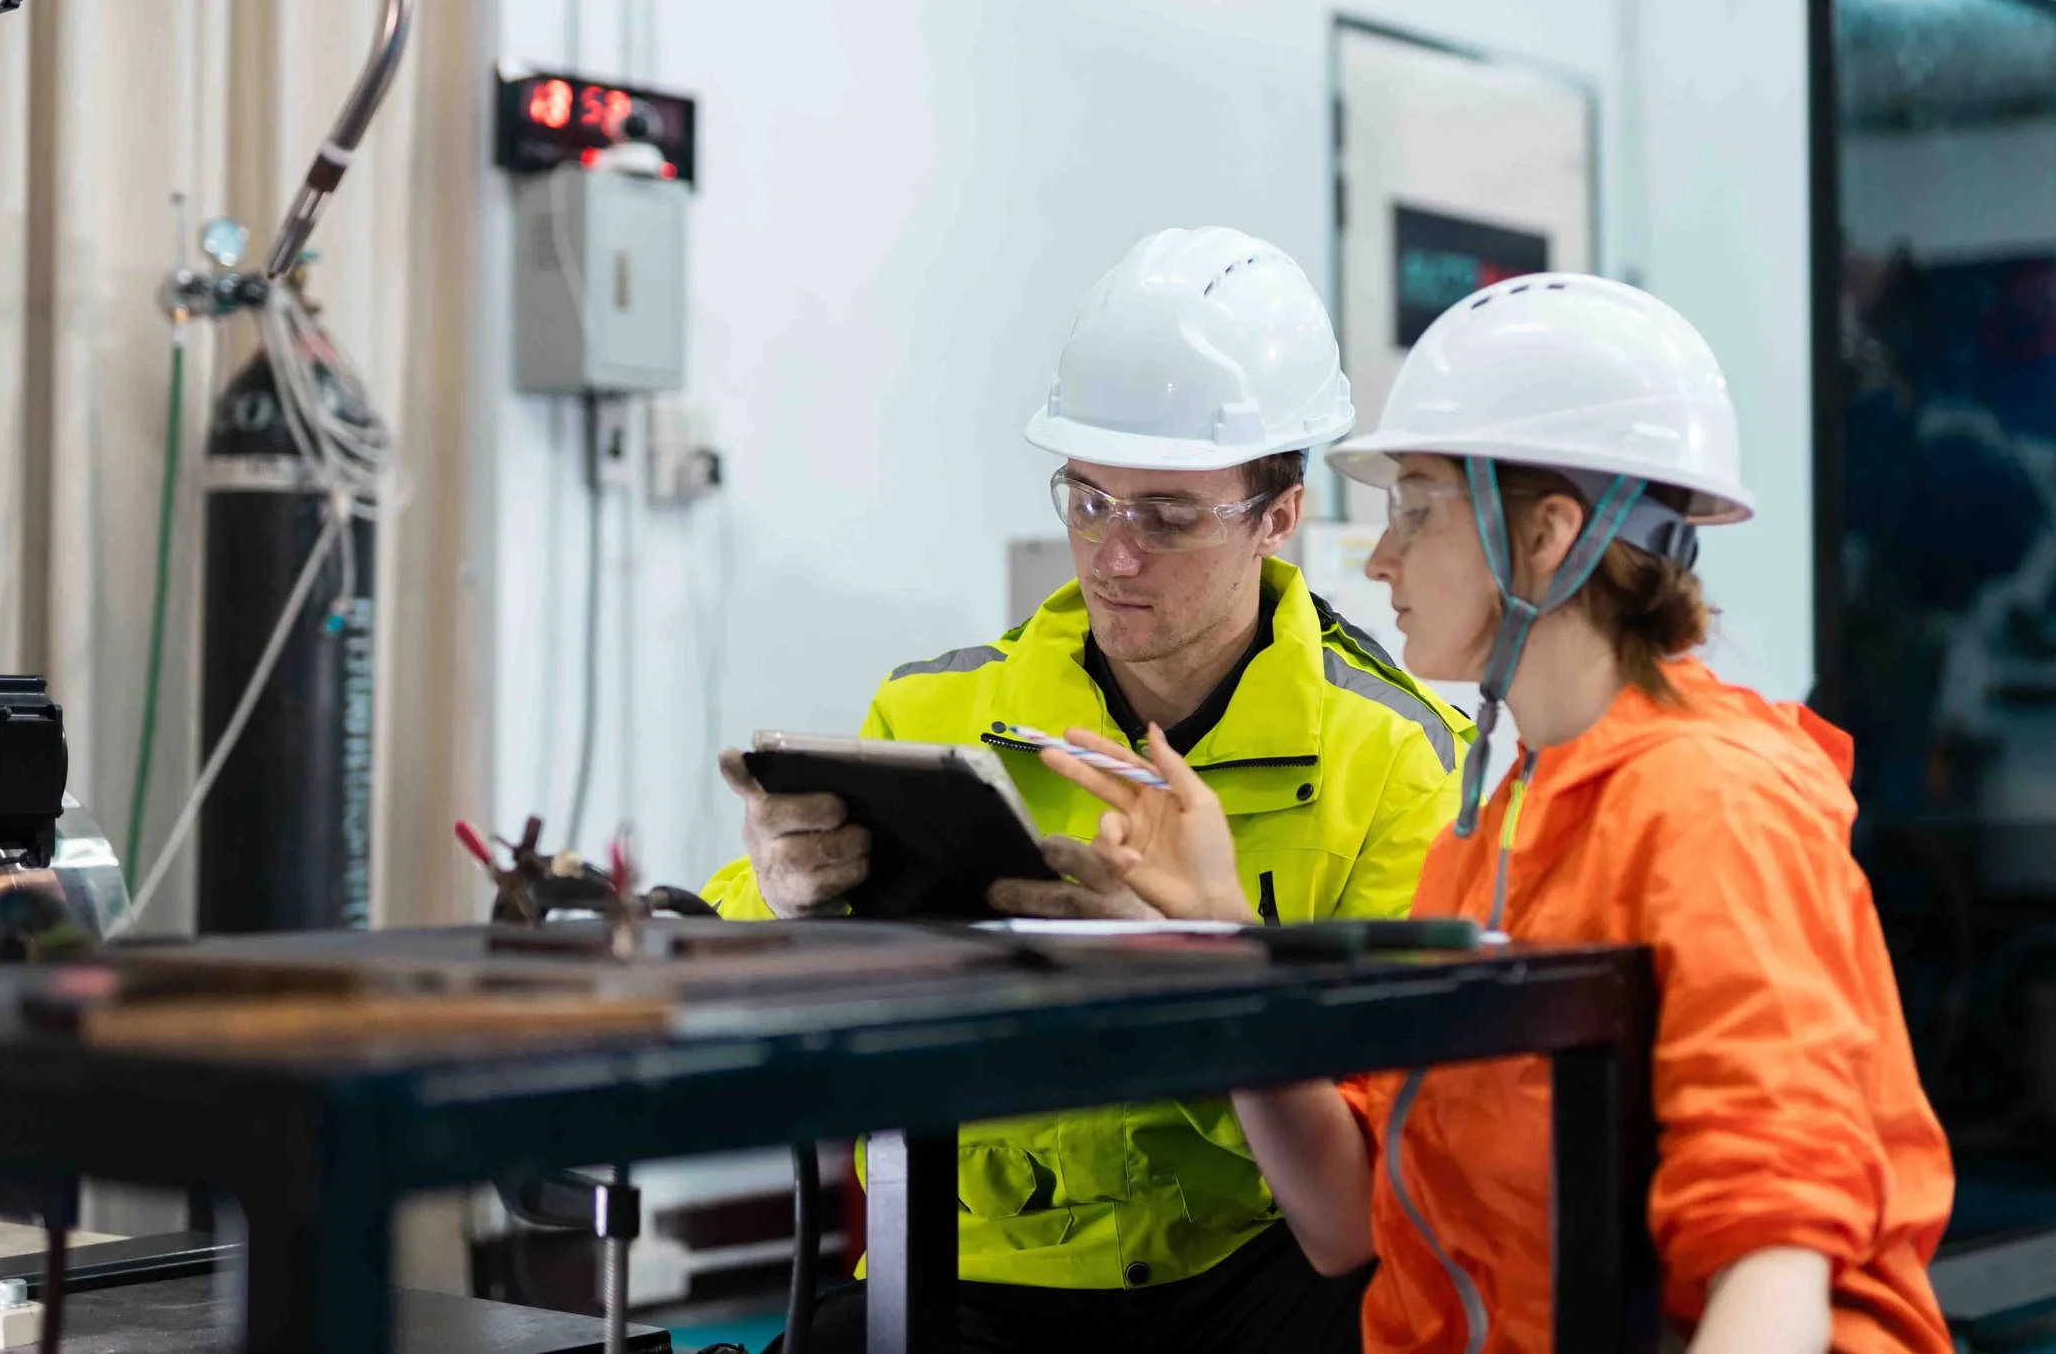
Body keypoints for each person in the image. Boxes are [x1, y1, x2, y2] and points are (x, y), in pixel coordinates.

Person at [1035, 273, 1955, 1354]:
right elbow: (1343, 1221)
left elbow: (1773, 1254)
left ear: (1549, 534)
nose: (1378, 559)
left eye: (1416, 509)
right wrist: (1228, 942)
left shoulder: (1711, 804)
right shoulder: (1500, 824)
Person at [704, 227, 1472, 1354]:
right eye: (1088, 500)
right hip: (967, 1266)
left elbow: (1384, 1161)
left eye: (1166, 514)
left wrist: (1197, 971)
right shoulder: (932, 716)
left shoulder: (1399, 757)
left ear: (1278, 514)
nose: (1112, 554)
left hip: (1255, 1265)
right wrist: (773, 901)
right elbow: (726, 963)